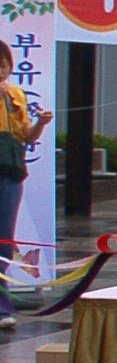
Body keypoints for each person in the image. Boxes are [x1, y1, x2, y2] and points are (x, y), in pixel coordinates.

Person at [0, 64, 49, 329]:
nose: (0, 72)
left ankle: (1, 306)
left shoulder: (16, 95)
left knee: (4, 241)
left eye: (3, 66)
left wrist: (40, 123)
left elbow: (27, 136)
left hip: (9, 171)